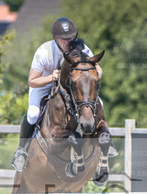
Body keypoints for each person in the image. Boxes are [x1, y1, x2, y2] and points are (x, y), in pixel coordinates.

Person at [11, 17, 114, 171]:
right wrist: (51, 77)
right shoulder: (44, 51)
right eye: (64, 39)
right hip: (43, 84)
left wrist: (94, 76)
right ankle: (21, 150)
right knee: (33, 114)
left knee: (98, 102)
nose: (68, 42)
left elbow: (97, 68)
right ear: (55, 38)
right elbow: (32, 81)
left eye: (70, 38)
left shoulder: (82, 48)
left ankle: (104, 140)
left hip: (69, 86)